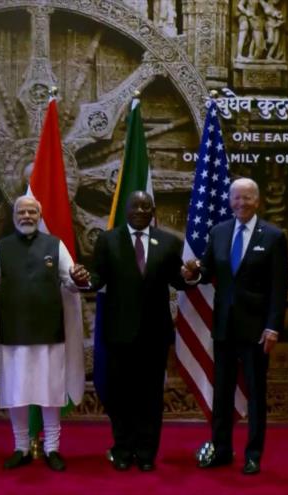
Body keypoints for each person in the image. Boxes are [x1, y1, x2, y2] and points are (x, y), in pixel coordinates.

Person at [72, 191, 189, 472]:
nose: (139, 210)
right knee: (120, 395)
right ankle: (123, 449)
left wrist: (191, 274)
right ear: (126, 210)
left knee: (150, 397)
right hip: (118, 332)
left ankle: (146, 453)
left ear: (153, 211)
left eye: (145, 206)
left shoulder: (169, 242)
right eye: (134, 206)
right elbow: (98, 277)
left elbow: (179, 281)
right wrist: (83, 280)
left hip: (155, 334)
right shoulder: (108, 240)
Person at [182, 177, 288, 475]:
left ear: (257, 200)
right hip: (224, 327)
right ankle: (221, 449)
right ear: (230, 201)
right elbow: (206, 272)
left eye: (247, 197)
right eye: (236, 198)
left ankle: (253, 454)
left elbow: (279, 287)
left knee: (255, 393)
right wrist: (192, 273)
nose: (241, 203)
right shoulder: (219, 232)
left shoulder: (274, 236)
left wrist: (273, 327)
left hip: (257, 330)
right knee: (222, 393)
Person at [0, 196, 84, 472]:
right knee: (17, 391)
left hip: (49, 330)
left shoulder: (55, 245)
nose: (26, 216)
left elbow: (71, 283)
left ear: (39, 216)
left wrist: (78, 279)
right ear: (14, 216)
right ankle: (20, 447)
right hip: (14, 331)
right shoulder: (1, 248)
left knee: (51, 392)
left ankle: (52, 448)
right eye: (21, 212)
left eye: (32, 212)